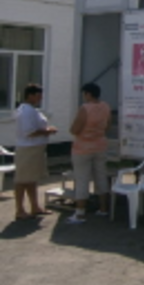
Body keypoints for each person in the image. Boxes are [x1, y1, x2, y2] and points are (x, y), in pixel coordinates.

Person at [67, 82, 111, 223]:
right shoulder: (105, 107)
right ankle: (103, 209)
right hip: (100, 145)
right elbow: (107, 126)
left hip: (83, 148)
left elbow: (75, 129)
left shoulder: (85, 109)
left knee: (82, 179)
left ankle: (80, 213)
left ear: (88, 94)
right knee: (101, 177)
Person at [13, 84, 57, 220]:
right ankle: (20, 210)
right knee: (22, 180)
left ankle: (35, 207)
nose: (40, 98)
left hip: (35, 149)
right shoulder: (26, 111)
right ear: (30, 96)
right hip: (28, 149)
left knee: (32, 179)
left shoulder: (32, 110)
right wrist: (48, 131)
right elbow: (29, 131)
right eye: (38, 95)